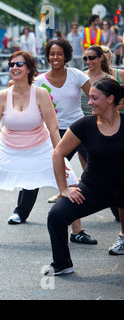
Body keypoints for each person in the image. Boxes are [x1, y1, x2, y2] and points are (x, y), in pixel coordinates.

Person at [0, 51, 78, 242]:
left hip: (40, 147)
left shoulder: (40, 94)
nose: (14, 68)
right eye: (11, 64)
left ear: (29, 68)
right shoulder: (2, 96)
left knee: (71, 182)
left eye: (19, 64)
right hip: (8, 148)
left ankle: (78, 232)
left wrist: (61, 157)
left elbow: (53, 129)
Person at [8, 39, 97, 243]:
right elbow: (20, 89)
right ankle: (20, 212)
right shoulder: (39, 81)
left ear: (66, 56)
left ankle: (116, 209)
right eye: (51, 54)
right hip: (51, 132)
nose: (55, 57)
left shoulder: (76, 75)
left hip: (77, 130)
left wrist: (96, 119)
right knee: (35, 170)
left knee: (98, 165)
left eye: (59, 54)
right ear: (47, 56)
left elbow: (95, 95)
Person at [46, 78, 124, 275]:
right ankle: (62, 264)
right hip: (93, 189)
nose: (89, 102)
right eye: (89, 98)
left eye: (94, 98)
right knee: (56, 215)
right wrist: (64, 188)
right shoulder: (84, 125)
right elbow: (58, 153)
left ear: (110, 99)